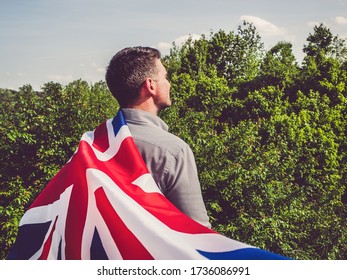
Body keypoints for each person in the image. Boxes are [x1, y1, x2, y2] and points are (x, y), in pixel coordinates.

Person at [105, 46, 211, 228]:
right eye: (165, 77)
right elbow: (197, 230)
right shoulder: (173, 151)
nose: (168, 83)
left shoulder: (92, 142)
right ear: (150, 85)